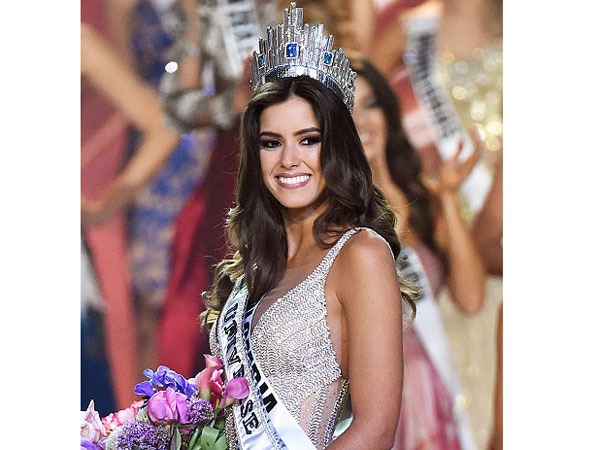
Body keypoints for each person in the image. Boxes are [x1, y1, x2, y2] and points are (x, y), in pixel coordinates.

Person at [202, 4, 415, 448]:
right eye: (271, 143)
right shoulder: (258, 261)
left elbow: (375, 431)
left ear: (336, 145)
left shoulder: (360, 255)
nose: (289, 161)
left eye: (308, 140)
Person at [352, 58, 485, 450]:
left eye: (371, 104)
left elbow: (471, 298)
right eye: (347, 108)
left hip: (442, 388)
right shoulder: (332, 218)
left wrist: (446, 198)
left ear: (388, 113)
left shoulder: (421, 197)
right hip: (386, 404)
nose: (362, 119)